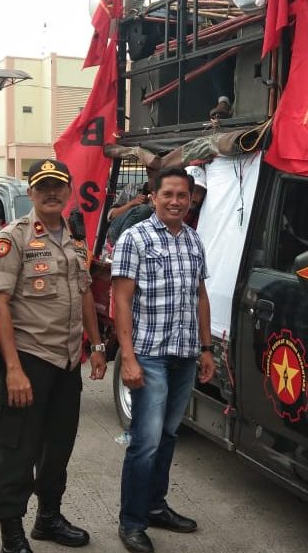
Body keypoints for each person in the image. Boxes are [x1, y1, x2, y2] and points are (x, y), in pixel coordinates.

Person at [0, 159, 108, 553]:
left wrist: (97, 346)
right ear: (32, 194)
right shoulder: (14, 238)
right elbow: (0, 304)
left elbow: (87, 292)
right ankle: (11, 532)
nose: (52, 193)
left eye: (58, 186)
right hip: (29, 360)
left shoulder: (75, 239)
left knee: (58, 446)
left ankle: (48, 518)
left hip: (68, 361)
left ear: (69, 190)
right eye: (43, 187)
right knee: (17, 448)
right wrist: (14, 371)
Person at [111, 167, 216, 553]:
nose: (175, 201)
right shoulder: (134, 238)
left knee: (169, 436)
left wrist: (206, 348)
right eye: (167, 194)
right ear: (153, 197)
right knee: (146, 442)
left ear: (191, 200)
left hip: (184, 354)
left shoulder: (193, 240)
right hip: (149, 355)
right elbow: (120, 299)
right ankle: (132, 521)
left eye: (182, 195)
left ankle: (155, 506)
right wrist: (128, 358)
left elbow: (199, 296)